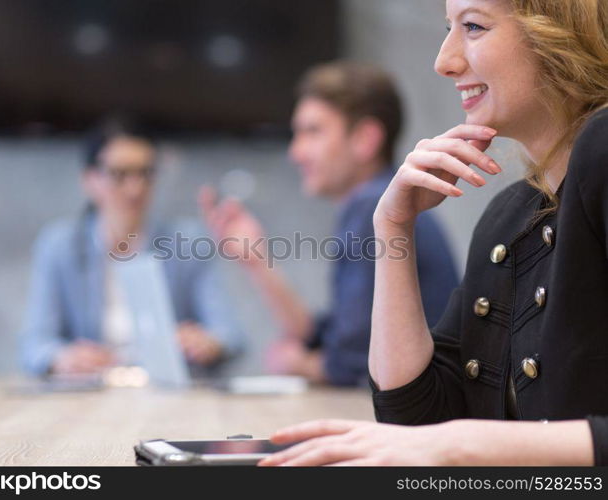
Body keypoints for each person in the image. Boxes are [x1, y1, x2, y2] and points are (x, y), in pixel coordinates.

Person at [259, 0, 608, 466]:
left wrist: (461, 443)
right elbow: (416, 422)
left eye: (475, 27)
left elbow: (438, 441)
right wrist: (393, 226)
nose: (444, 61)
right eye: (448, 28)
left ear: (559, 31)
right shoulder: (511, 214)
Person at [201, 62, 458, 386]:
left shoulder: (372, 207)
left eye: (313, 132)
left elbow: (351, 365)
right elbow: (331, 337)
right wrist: (257, 260)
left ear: (365, 139)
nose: (296, 152)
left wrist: (299, 363)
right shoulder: (378, 203)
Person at [20, 119, 243, 377]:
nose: (135, 188)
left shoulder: (188, 243)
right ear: (90, 180)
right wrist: (62, 358)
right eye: (119, 174)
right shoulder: (60, 246)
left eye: (145, 173)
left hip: (171, 396)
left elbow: (231, 336)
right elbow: (33, 345)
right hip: (89, 397)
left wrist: (208, 343)